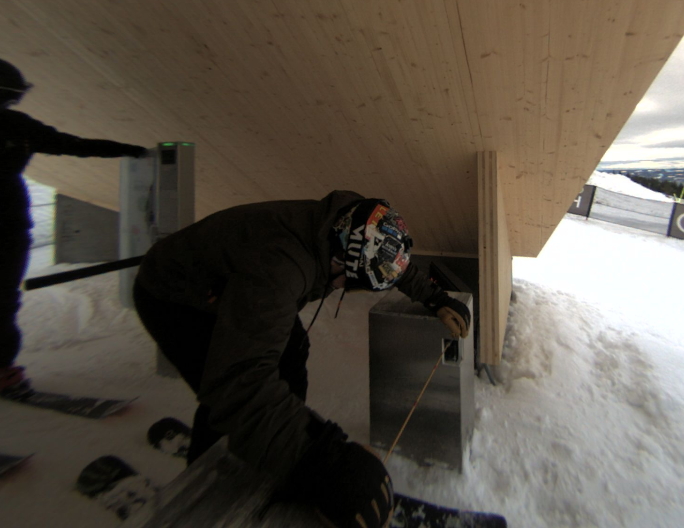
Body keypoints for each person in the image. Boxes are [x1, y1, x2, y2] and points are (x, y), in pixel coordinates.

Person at [132, 193, 471, 528]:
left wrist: (435, 298)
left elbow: (386, 256)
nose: (347, 289)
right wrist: (324, 463)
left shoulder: (354, 223)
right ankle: (206, 499)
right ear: (341, 261)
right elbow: (239, 382)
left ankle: (279, 449)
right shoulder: (280, 269)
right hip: (176, 297)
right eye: (353, 284)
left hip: (235, 283)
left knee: (291, 353)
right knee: (226, 394)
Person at [0, 52, 147, 394]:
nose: (7, 104)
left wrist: (131, 150)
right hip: (1, 224)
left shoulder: (16, 125)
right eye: (0, 96)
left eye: (13, 97)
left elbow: (71, 145)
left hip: (6, 227)